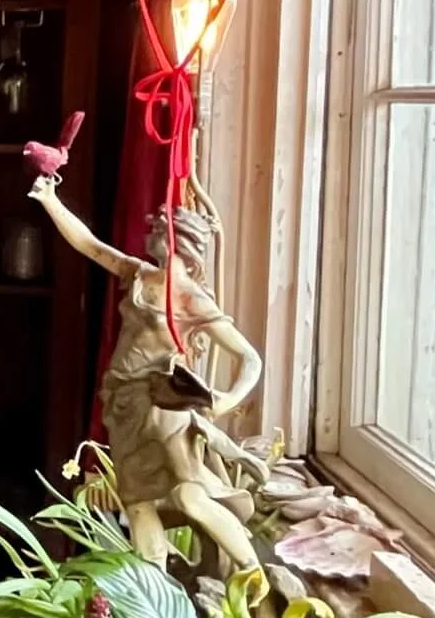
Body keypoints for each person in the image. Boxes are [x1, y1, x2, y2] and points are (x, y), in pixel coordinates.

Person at [29, 175, 269, 574]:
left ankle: (251, 574)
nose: (152, 231)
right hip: (125, 404)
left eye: (162, 229)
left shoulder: (192, 299)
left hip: (163, 405)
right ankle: (153, 590)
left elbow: (250, 358)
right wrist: (51, 200)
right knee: (138, 503)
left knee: (192, 494)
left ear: (184, 244)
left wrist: (226, 399)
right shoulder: (138, 275)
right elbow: (89, 245)